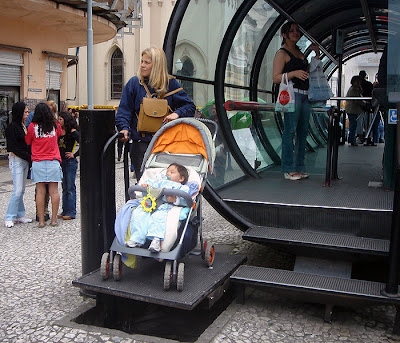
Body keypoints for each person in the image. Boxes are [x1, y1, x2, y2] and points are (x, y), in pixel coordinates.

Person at [115, 47, 196, 181]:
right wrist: (123, 128)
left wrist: (176, 114)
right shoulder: (134, 84)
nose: (142, 65)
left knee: (164, 183)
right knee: (144, 185)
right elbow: (125, 110)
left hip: (164, 145)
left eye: (147, 62)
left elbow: (189, 106)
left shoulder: (171, 84)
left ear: (157, 65)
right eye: (142, 61)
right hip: (140, 144)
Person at [273, 21, 320, 181]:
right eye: (292, 31)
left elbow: (306, 74)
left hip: (305, 95)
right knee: (290, 131)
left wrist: (316, 56)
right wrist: (293, 74)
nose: (296, 33)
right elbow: (276, 77)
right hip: (291, 95)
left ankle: (300, 166)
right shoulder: (282, 53)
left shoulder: (300, 53)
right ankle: (288, 168)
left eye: (297, 31)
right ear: (284, 35)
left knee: (302, 132)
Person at [126, 163, 197, 253]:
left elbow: (186, 199)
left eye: (172, 172)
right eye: (167, 171)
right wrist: (146, 187)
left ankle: (156, 240)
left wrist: (175, 199)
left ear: (181, 179)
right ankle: (136, 238)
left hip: (165, 206)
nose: (168, 173)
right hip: (150, 203)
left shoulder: (181, 187)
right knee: (139, 214)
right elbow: (147, 191)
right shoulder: (158, 181)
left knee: (158, 218)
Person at [25, 103, 63, 228]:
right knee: (54, 191)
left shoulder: (32, 126)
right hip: (53, 160)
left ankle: (41, 220)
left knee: (40, 192)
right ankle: (53, 220)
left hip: (38, 161)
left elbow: (28, 141)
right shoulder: (54, 125)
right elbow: (60, 134)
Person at [4, 102, 32, 228]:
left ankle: (20, 214)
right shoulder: (12, 127)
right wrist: (28, 156)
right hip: (17, 160)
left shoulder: (23, 126)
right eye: (25, 112)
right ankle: (9, 216)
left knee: (22, 190)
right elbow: (12, 147)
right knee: (17, 190)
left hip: (25, 160)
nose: (27, 114)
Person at [57, 112, 79, 220]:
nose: (59, 121)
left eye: (61, 119)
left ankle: (71, 211)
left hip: (70, 162)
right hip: (61, 161)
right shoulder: (59, 131)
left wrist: (74, 154)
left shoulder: (73, 132)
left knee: (70, 186)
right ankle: (65, 209)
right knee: (64, 186)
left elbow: (84, 142)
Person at [345, 76, 364, 146]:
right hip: (352, 110)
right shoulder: (353, 90)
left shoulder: (354, 89)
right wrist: (364, 103)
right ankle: (352, 140)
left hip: (352, 109)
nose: (359, 83)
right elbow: (357, 100)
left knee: (353, 125)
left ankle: (352, 139)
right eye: (357, 81)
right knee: (353, 125)